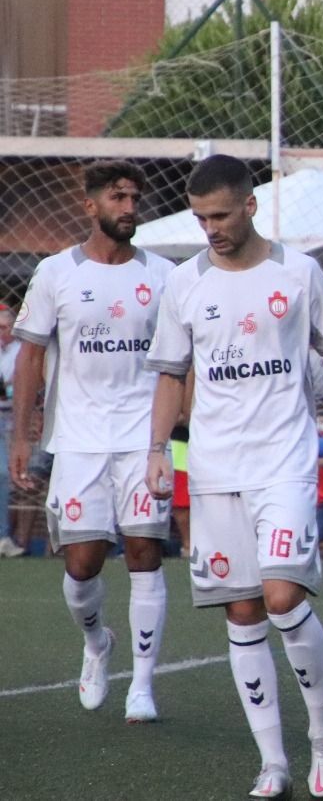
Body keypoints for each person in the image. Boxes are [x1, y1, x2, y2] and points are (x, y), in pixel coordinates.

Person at [143, 153, 323, 799]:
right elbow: (169, 371)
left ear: (250, 206)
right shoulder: (184, 283)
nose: (210, 228)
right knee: (240, 613)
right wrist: (156, 448)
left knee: (281, 599)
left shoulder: (299, 273)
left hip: (284, 463)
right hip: (215, 470)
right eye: (199, 218)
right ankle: (272, 762)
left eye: (219, 215)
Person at [5, 161, 176, 720]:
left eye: (134, 197)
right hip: (76, 441)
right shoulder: (56, 272)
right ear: (91, 206)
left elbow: (182, 358)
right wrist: (24, 436)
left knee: (144, 552)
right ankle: (98, 643)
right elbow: (30, 354)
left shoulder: (165, 275)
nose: (129, 207)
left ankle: (143, 687)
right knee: (81, 564)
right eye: (117, 197)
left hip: (141, 440)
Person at [0, 302, 23, 557]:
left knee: (4, 475)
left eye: (6, 327)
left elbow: (19, 389)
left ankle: (4, 536)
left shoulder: (19, 351)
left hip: (12, 420)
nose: (2, 333)